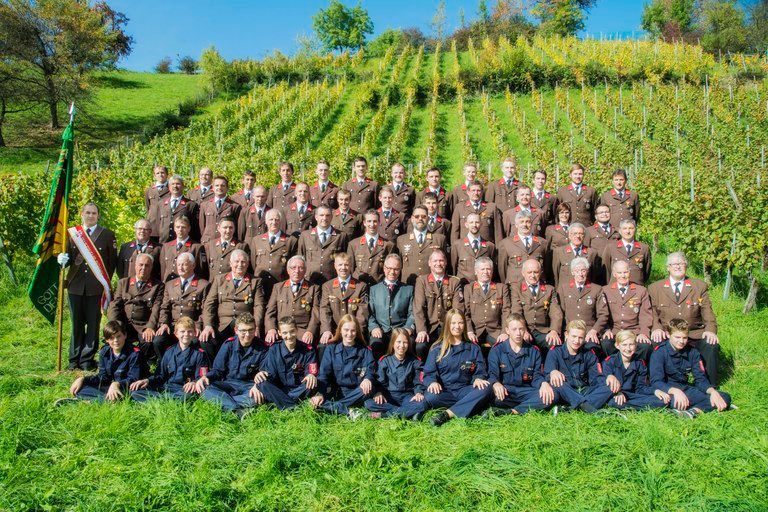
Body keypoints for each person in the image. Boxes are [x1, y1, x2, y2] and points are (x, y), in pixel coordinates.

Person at [58, 202, 118, 370]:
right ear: (81, 214)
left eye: (94, 213)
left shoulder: (107, 235)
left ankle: (86, 360)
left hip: (95, 287)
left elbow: (111, 262)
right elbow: (68, 257)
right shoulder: (72, 234)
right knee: (76, 323)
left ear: (98, 216)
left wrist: (104, 282)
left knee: (93, 324)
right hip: (75, 286)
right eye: (88, 213)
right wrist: (62, 259)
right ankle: (73, 360)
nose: (91, 216)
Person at [648, 252, 720, 385]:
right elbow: (652, 313)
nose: (678, 266)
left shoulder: (699, 286)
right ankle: (661, 383)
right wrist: (656, 328)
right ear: (668, 267)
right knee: (654, 343)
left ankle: (709, 386)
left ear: (686, 266)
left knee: (711, 344)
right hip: (668, 334)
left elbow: (707, 311)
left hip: (693, 333)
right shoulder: (655, 288)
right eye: (674, 264)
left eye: (681, 263)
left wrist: (710, 330)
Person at [423, 309, 492, 426]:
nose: (457, 326)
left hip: (465, 390)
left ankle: (447, 414)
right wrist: (432, 382)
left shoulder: (473, 348)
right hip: (445, 392)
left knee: (486, 389)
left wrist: (478, 378)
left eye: (460, 323)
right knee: (430, 396)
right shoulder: (436, 348)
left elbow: (480, 371)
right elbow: (428, 373)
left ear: (464, 325)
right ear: (447, 325)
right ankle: (472, 406)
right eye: (453, 323)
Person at [649, 319, 731, 418]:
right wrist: (675, 391)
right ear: (668, 335)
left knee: (724, 396)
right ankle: (706, 407)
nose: (681, 341)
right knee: (671, 401)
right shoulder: (659, 353)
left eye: (684, 338)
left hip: (685, 388)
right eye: (677, 337)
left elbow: (700, 379)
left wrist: (712, 392)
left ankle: (693, 411)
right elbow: (656, 382)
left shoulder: (692, 352)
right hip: (667, 391)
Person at [196, 313, 268, 417]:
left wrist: (258, 386)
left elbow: (264, 372)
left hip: (249, 387)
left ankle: (224, 403)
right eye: (243, 331)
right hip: (228, 384)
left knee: (259, 396)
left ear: (255, 329)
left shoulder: (263, 348)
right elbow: (217, 370)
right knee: (204, 388)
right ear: (236, 330)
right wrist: (205, 377)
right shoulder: (228, 344)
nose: (247, 334)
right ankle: (238, 411)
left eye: (251, 330)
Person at [486, 313, 555, 416]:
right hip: (505, 392)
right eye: (514, 329)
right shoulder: (497, 350)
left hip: (526, 391)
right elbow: (492, 374)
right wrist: (495, 383)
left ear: (525, 330)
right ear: (507, 330)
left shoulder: (534, 351)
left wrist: (543, 383)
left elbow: (536, 376)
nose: (518, 333)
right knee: (489, 394)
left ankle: (512, 412)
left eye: (521, 329)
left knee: (552, 395)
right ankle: (529, 406)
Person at [58, 321, 141, 404]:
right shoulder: (104, 352)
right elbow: (103, 377)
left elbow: (134, 378)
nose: (116, 340)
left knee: (132, 394)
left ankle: (90, 400)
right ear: (107, 340)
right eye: (111, 338)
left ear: (125, 335)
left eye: (118, 336)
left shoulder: (134, 353)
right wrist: (83, 379)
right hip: (111, 386)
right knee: (81, 387)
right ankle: (107, 400)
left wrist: (117, 384)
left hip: (128, 387)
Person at [129, 316, 209, 402]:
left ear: (194, 333)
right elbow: (160, 375)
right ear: (176, 334)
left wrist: (194, 383)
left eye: (190, 331)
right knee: (135, 391)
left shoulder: (200, 354)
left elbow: (201, 377)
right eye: (182, 331)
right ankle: (167, 400)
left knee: (190, 395)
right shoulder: (169, 352)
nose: (186, 334)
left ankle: (161, 400)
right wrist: (147, 381)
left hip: (184, 390)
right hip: (166, 387)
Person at [310, 314, 375, 417]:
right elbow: (323, 375)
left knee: (367, 389)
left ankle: (333, 407)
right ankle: (350, 412)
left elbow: (370, 370)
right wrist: (320, 394)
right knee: (318, 401)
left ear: (357, 331)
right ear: (340, 330)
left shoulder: (365, 351)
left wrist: (367, 378)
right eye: (346, 330)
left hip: (357, 392)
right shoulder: (331, 349)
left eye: (353, 330)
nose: (349, 334)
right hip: (338, 391)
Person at [201, 249, 265, 349]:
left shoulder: (255, 282)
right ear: (230, 263)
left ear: (248, 264)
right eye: (237, 261)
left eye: (243, 262)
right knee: (206, 340)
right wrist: (208, 325)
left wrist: (255, 327)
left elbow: (259, 306)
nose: (240, 264)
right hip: (222, 326)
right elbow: (210, 303)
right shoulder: (219, 280)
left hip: (244, 326)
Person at [544, 320, 613, 413]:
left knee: (610, 387)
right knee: (557, 383)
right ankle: (588, 408)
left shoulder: (589, 354)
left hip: (584, 390)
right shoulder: (555, 352)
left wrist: (608, 380)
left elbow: (596, 378)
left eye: (580, 338)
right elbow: (547, 373)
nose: (576, 341)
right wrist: (553, 372)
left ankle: (571, 409)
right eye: (574, 336)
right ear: (566, 335)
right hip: (566, 391)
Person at [107, 253, 165, 362]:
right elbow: (115, 305)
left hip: (143, 325)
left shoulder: (158, 286)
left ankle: (142, 363)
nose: (143, 268)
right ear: (135, 266)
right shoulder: (124, 283)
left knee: (147, 342)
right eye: (141, 265)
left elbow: (156, 308)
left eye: (147, 265)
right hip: (124, 324)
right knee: (114, 339)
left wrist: (150, 327)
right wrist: (114, 324)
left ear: (151, 267)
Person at [254, 317, 318, 410]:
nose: (289, 335)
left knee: (311, 382)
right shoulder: (273, 349)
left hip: (299, 389)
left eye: (292, 331)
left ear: (297, 330)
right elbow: (270, 374)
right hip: (279, 389)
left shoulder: (308, 350)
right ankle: (294, 407)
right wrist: (261, 374)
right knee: (262, 382)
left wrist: (310, 375)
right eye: (285, 333)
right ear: (279, 333)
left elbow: (311, 371)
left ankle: (280, 402)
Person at [155, 252, 211, 357]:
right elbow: (164, 307)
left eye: (184, 264)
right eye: (178, 264)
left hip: (192, 327)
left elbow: (206, 310)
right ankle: (166, 366)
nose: (180, 267)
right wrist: (164, 323)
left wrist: (198, 325)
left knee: (199, 343)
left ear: (193, 265)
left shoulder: (203, 285)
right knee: (158, 341)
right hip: (173, 326)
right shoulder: (170, 285)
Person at [365, 329, 427, 419]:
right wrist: (378, 392)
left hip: (407, 396)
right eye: (398, 342)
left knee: (422, 404)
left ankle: (384, 415)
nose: (401, 346)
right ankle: (406, 412)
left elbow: (418, 381)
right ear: (393, 343)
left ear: (409, 344)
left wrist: (418, 393)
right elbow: (379, 382)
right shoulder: (384, 361)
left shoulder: (414, 361)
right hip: (389, 396)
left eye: (405, 342)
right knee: (369, 403)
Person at [414, 250, 465, 359]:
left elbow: (457, 310)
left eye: (441, 260)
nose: (438, 264)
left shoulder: (454, 282)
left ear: (446, 262)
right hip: (429, 328)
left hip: (447, 327)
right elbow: (419, 308)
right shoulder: (422, 281)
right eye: (435, 261)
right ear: (429, 263)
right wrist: (421, 330)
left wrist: (453, 330)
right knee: (420, 347)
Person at [600, 260, 654, 360]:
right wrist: (606, 329)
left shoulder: (641, 290)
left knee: (645, 347)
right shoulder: (605, 290)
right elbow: (602, 314)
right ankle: (613, 369)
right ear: (614, 274)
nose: (623, 276)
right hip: (615, 332)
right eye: (619, 273)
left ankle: (638, 370)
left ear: (630, 272)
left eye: (625, 272)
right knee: (606, 344)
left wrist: (644, 333)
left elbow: (645, 315)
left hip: (634, 332)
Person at [602, 330, 667, 410]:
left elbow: (641, 388)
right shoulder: (609, 362)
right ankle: (634, 407)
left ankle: (630, 407)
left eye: (631, 344)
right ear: (617, 346)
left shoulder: (640, 363)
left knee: (662, 400)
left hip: (631, 396)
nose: (628, 348)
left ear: (636, 345)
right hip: (614, 395)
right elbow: (603, 385)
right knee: (614, 402)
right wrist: (617, 393)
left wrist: (655, 391)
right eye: (624, 345)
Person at [264, 255, 321, 347]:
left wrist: (310, 331)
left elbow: (316, 314)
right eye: (293, 268)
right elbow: (270, 312)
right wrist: (271, 329)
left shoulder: (314, 288)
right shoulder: (278, 287)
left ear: (305, 270)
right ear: (288, 270)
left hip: (302, 331)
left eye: (301, 268)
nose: (297, 271)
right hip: (282, 331)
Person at [319, 253, 369, 353]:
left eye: (346, 265)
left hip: (353, 331)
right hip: (334, 331)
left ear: (351, 266)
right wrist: (326, 330)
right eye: (340, 265)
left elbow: (362, 313)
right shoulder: (327, 286)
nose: (343, 268)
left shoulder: (361, 286)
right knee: (322, 347)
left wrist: (355, 332)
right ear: (335, 266)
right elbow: (325, 310)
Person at [510, 259, 562, 354]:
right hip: (524, 330)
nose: (532, 275)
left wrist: (554, 330)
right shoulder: (516, 288)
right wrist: (524, 330)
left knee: (555, 344)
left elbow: (556, 313)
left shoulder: (549, 289)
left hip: (543, 331)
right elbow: (516, 312)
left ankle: (550, 368)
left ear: (541, 272)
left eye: (536, 272)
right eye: (529, 272)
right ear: (523, 273)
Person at [367, 254, 415, 359]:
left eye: (396, 269)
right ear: (384, 268)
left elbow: (413, 313)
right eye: (389, 268)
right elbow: (369, 313)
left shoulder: (408, 289)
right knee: (375, 343)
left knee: (411, 342)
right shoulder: (374, 290)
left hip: (401, 330)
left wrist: (408, 328)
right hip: (381, 331)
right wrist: (374, 327)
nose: (392, 272)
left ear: (400, 269)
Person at [556, 257, 609, 352]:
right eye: (577, 271)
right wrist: (564, 332)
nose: (580, 274)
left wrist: (594, 331)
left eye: (583, 270)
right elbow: (560, 313)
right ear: (572, 272)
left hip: (588, 331)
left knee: (592, 349)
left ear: (587, 271)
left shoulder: (597, 289)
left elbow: (603, 314)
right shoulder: (564, 288)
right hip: (570, 331)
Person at [464, 257, 511, 357]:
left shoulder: (501, 288)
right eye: (482, 269)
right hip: (476, 331)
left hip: (495, 331)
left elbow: (506, 311)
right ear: (476, 272)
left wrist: (504, 332)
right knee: (468, 349)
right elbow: (465, 312)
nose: (486, 272)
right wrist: (469, 331)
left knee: (505, 347)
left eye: (488, 269)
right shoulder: (469, 288)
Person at [248, 209, 297, 294]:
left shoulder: (290, 240)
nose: (274, 222)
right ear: (266, 221)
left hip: (280, 283)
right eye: (271, 219)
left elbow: (292, 264)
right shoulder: (257, 240)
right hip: (260, 283)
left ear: (280, 221)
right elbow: (253, 263)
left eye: (276, 219)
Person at [298, 206, 349, 285]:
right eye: (321, 215)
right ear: (316, 217)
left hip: (332, 281)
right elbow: (300, 258)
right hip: (310, 280)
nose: (324, 218)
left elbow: (345, 259)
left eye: (327, 215)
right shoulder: (305, 236)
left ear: (332, 217)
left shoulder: (341, 236)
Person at [397, 206, 447, 285]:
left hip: (431, 286)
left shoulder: (439, 239)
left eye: (423, 216)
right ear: (412, 219)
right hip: (408, 286)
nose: (420, 219)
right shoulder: (402, 240)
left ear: (428, 219)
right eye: (417, 216)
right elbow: (398, 266)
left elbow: (446, 266)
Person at [347, 209, 395, 285]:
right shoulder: (353, 244)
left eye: (375, 221)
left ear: (379, 223)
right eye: (369, 221)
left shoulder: (388, 245)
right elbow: (350, 269)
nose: (372, 225)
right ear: (364, 223)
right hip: (358, 287)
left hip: (378, 287)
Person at [497, 211, 546, 285]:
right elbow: (502, 269)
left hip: (537, 285)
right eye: (521, 222)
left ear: (532, 224)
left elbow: (547, 267)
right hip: (515, 287)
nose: (524, 224)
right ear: (516, 225)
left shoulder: (542, 243)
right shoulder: (506, 243)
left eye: (528, 222)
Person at [602, 219, 651, 285]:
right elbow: (606, 270)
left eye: (631, 228)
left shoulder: (644, 248)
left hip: (637, 288)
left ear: (635, 230)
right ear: (620, 231)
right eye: (624, 228)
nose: (628, 231)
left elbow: (646, 271)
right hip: (616, 288)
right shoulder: (611, 247)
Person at [450, 212, 496, 283]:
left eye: (477, 222)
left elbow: (492, 269)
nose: (474, 225)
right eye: (471, 222)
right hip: (464, 286)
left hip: (482, 288)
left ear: (481, 224)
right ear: (466, 225)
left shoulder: (489, 246)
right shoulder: (457, 245)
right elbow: (453, 268)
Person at [158, 216, 206, 281]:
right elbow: (163, 270)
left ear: (189, 229)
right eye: (177, 227)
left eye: (183, 227)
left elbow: (200, 271)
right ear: (174, 228)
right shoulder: (166, 247)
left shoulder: (196, 247)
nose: (180, 229)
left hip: (187, 285)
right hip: (169, 285)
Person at [550, 222, 597, 287]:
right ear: (569, 235)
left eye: (581, 234)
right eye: (575, 233)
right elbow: (555, 275)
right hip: (565, 292)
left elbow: (593, 277)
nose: (578, 236)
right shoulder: (559, 252)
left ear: (584, 236)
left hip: (585, 291)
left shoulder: (591, 253)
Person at [198, 175, 242, 244]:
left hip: (226, 243)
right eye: (217, 185)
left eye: (222, 185)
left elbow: (237, 229)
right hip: (207, 243)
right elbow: (202, 227)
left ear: (227, 188)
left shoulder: (235, 206)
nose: (219, 187)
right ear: (212, 188)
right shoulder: (204, 205)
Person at [156, 174, 199, 243]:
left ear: (183, 186)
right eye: (172, 184)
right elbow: (157, 224)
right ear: (169, 187)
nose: (175, 186)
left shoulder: (190, 205)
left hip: (182, 243)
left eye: (178, 184)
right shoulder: (161, 203)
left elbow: (194, 228)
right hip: (163, 243)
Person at [144, 165, 169, 240]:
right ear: (154, 176)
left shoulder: (172, 189)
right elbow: (148, 207)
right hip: (153, 226)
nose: (160, 175)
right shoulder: (149, 191)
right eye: (157, 173)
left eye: (162, 173)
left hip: (166, 226)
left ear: (167, 174)